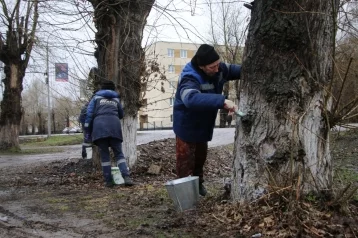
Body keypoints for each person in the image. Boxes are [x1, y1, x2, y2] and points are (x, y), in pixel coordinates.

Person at [173, 44, 241, 196]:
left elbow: (240, 70)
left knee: (200, 157)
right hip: (187, 125)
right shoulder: (189, 77)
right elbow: (190, 99)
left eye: (218, 65)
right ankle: (185, 194)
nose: (217, 69)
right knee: (185, 160)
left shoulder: (219, 68)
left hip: (203, 124)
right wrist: (222, 101)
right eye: (212, 67)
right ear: (202, 66)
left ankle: (198, 184)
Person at [84, 79, 134, 187]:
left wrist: (87, 128)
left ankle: (108, 181)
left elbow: (89, 114)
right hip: (114, 126)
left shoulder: (95, 98)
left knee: (105, 155)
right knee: (119, 153)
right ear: (113, 89)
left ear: (102, 88)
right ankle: (126, 177)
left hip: (99, 127)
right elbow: (121, 114)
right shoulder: (116, 99)